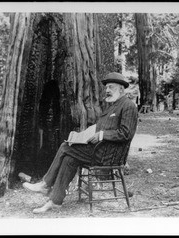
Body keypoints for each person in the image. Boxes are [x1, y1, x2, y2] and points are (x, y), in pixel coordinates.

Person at [23, 72, 138, 214]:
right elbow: (101, 127)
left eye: (111, 87)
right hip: (100, 150)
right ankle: (55, 201)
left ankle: (45, 184)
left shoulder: (128, 106)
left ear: (121, 89)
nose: (107, 90)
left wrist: (102, 135)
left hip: (109, 155)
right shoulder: (112, 106)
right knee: (69, 158)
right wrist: (84, 135)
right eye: (106, 87)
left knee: (65, 146)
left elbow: (126, 133)